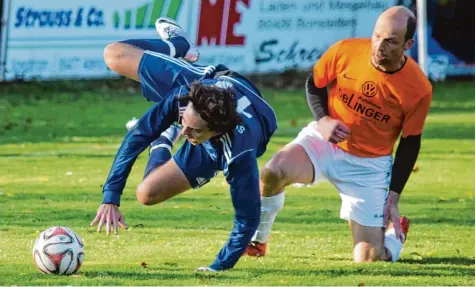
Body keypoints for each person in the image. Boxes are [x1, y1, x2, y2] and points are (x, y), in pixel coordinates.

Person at [243, 6, 432, 263]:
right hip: (325, 143)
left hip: (369, 166)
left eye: (390, 41)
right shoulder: (346, 50)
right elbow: (315, 83)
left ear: (408, 44)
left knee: (368, 259)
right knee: (273, 172)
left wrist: (393, 197)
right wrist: (323, 120)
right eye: (377, 36)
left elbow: (410, 143)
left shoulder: (418, 88)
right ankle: (257, 241)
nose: (379, 46)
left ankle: (393, 237)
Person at [89, 18, 277, 272]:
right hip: (203, 80)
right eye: (183, 124)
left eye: (193, 130)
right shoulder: (182, 96)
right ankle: (178, 44)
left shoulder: (238, 154)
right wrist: (110, 196)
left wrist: (217, 267)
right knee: (114, 53)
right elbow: (137, 137)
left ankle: (165, 136)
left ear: (215, 132)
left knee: (147, 194)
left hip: (233, 133)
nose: (187, 132)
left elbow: (247, 218)